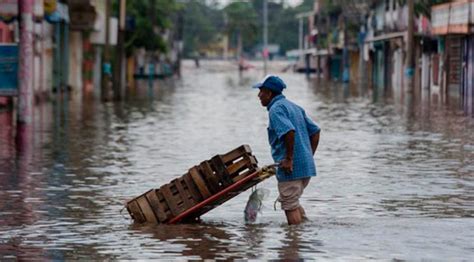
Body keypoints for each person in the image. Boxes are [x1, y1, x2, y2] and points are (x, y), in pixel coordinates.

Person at [253, 75, 321, 225]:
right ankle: (304, 232)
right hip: (305, 167)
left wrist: (290, 159)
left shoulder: (276, 110)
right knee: (292, 201)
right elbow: (315, 131)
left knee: (289, 205)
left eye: (261, 92)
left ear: (269, 94)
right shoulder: (294, 107)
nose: (259, 96)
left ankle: (293, 245)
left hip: (290, 169)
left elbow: (289, 131)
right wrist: (308, 156)